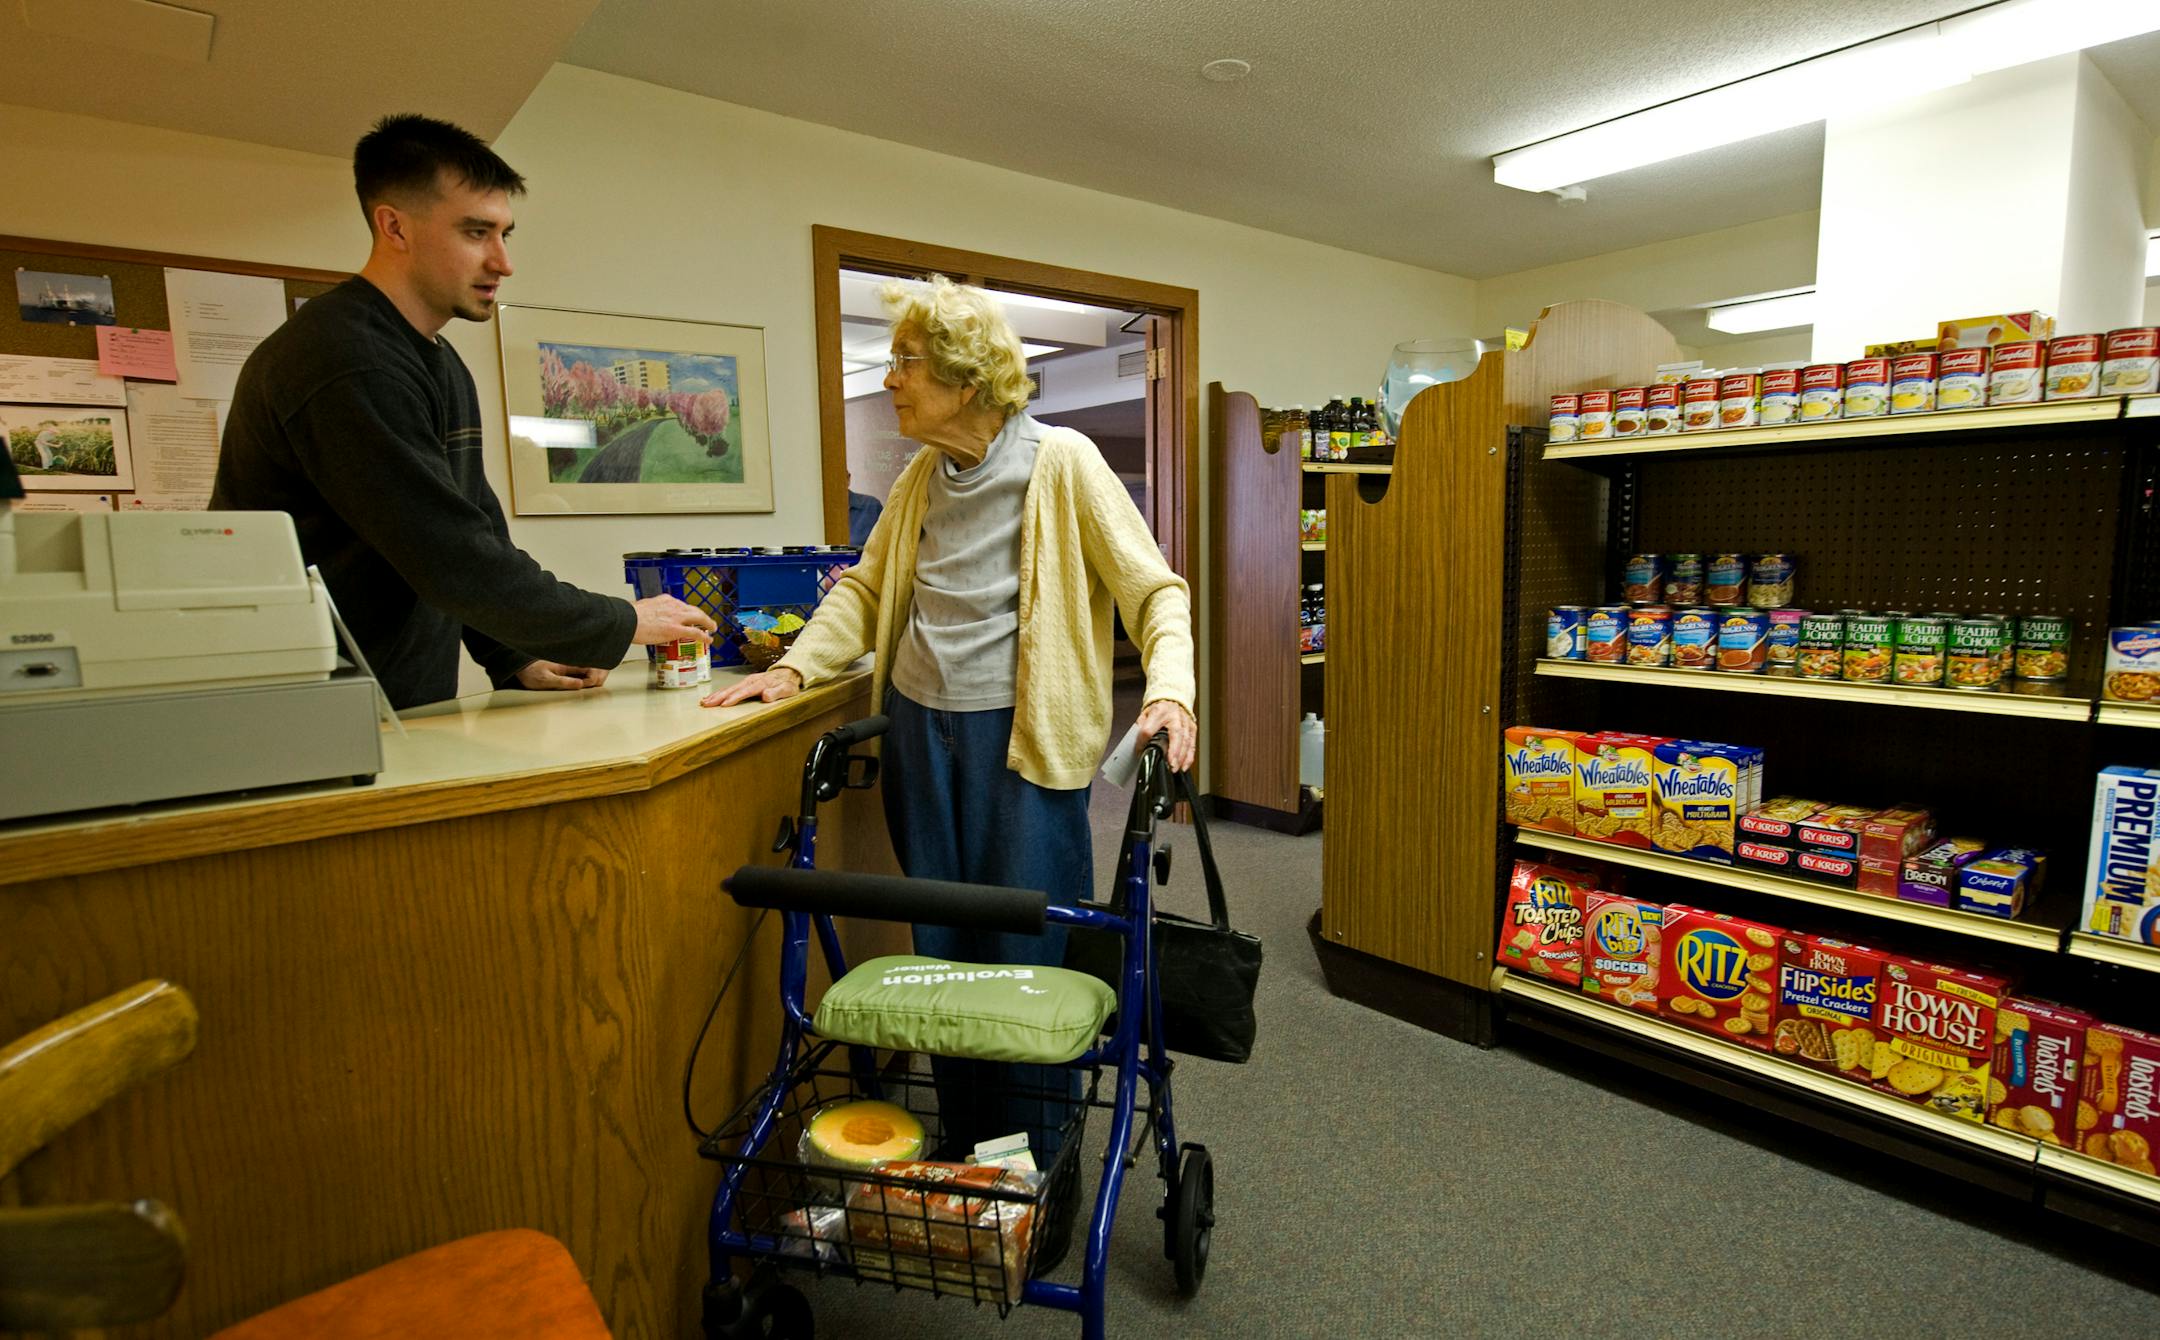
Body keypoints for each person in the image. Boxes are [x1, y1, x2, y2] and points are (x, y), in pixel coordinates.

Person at [708, 275, 1196, 1162]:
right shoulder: (922, 477)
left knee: (1024, 958)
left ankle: (1037, 1165)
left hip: (1022, 741)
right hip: (919, 733)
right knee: (943, 954)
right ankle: (971, 1145)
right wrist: (792, 669)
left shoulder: (1064, 462)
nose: (891, 379)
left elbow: (1154, 590)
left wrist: (1170, 690)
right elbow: (864, 589)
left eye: (906, 363)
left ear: (967, 381)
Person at [209, 113, 712, 710]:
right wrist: (623, 622)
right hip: (301, 706)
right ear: (394, 226)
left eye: (505, 233)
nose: (503, 261)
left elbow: (472, 526)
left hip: (397, 697)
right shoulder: (346, 358)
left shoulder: (435, 357)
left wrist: (512, 654)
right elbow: (449, 556)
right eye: (476, 233)